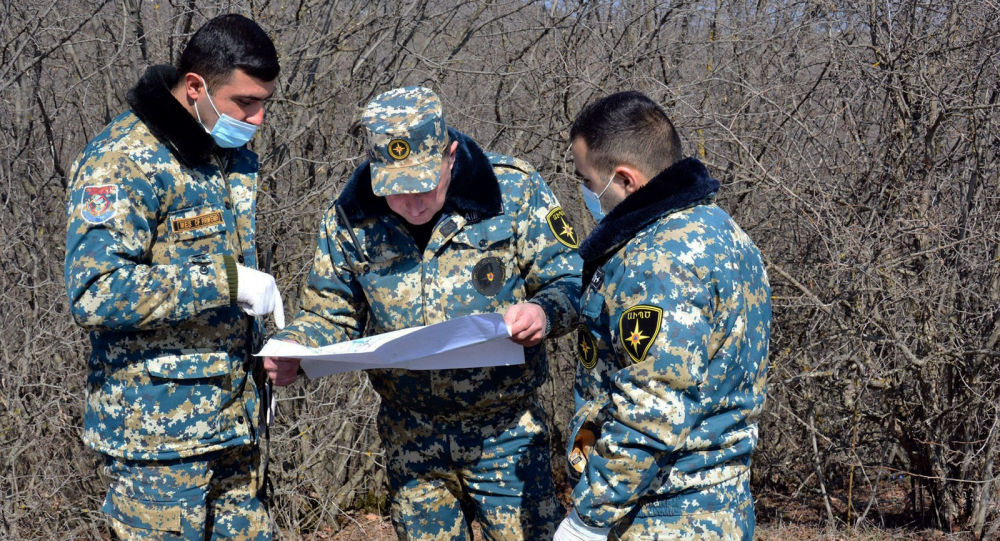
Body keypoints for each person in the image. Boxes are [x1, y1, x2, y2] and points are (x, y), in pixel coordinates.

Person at [266, 86, 582, 540]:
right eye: (395, 191)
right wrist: (295, 345)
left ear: (450, 157)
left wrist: (543, 312)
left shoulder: (513, 189)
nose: (412, 204)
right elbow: (329, 312)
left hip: (507, 434)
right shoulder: (349, 220)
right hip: (411, 438)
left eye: (423, 187)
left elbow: (571, 282)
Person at [64, 14, 286, 539]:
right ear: (196, 87)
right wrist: (226, 281)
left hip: (234, 425)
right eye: (245, 103)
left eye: (264, 105)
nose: (256, 119)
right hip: (157, 444)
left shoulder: (224, 156)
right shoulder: (123, 160)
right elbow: (94, 293)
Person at [554, 91, 772, 541]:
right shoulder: (721, 232)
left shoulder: (658, 261)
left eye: (587, 180)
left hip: (665, 515)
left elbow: (652, 407)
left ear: (626, 179)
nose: (585, 192)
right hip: (719, 507)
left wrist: (589, 517)